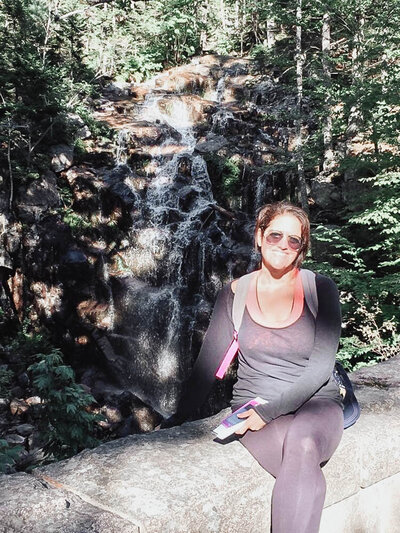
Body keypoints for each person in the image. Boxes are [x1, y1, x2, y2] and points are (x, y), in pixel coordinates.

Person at [161, 201, 344, 533]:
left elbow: (320, 369)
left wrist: (270, 411)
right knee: (301, 468)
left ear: (302, 247)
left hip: (316, 403)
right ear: (259, 236)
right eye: (275, 236)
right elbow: (209, 365)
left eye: (294, 240)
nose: (283, 246)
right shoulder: (234, 294)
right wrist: (177, 418)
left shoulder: (320, 289)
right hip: (252, 404)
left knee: (302, 444)